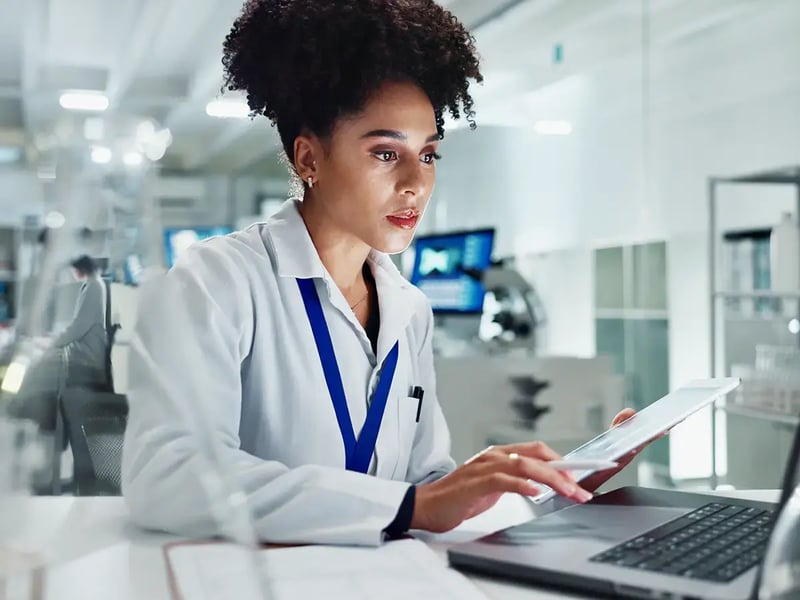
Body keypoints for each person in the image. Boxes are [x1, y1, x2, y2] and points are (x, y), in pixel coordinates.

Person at [122, 0, 646, 546]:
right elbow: (168, 476)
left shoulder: (408, 308)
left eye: (428, 155)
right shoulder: (218, 281)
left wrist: (551, 487)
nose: (416, 183)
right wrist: (414, 504)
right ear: (308, 160)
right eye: (384, 153)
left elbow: (426, 486)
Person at [9, 255, 108, 431]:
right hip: (81, 350)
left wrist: (52, 342)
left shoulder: (94, 287)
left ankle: (22, 408)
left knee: (39, 365)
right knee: (38, 362)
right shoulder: (93, 285)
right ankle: (22, 407)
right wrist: (52, 340)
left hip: (85, 355)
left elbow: (78, 327)